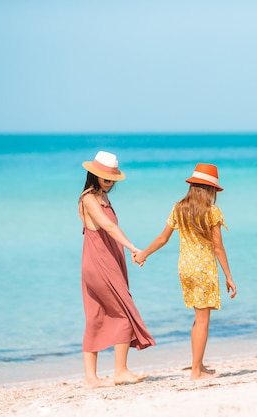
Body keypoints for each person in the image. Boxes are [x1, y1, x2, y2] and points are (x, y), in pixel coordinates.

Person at [134, 163, 237, 380]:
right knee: (203, 320)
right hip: (204, 269)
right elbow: (218, 247)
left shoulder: (178, 208)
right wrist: (228, 275)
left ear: (192, 186)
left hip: (185, 269)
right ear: (210, 190)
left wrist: (144, 254)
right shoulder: (211, 212)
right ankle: (196, 372)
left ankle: (197, 366)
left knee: (198, 317)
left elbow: (163, 238)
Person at [78, 150, 155, 388]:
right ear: (95, 175)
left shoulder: (102, 196)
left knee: (97, 315)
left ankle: (92, 378)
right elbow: (108, 228)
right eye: (106, 178)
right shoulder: (89, 199)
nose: (110, 183)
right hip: (99, 262)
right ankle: (120, 371)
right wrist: (133, 247)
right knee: (123, 311)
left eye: (112, 179)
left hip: (109, 260)